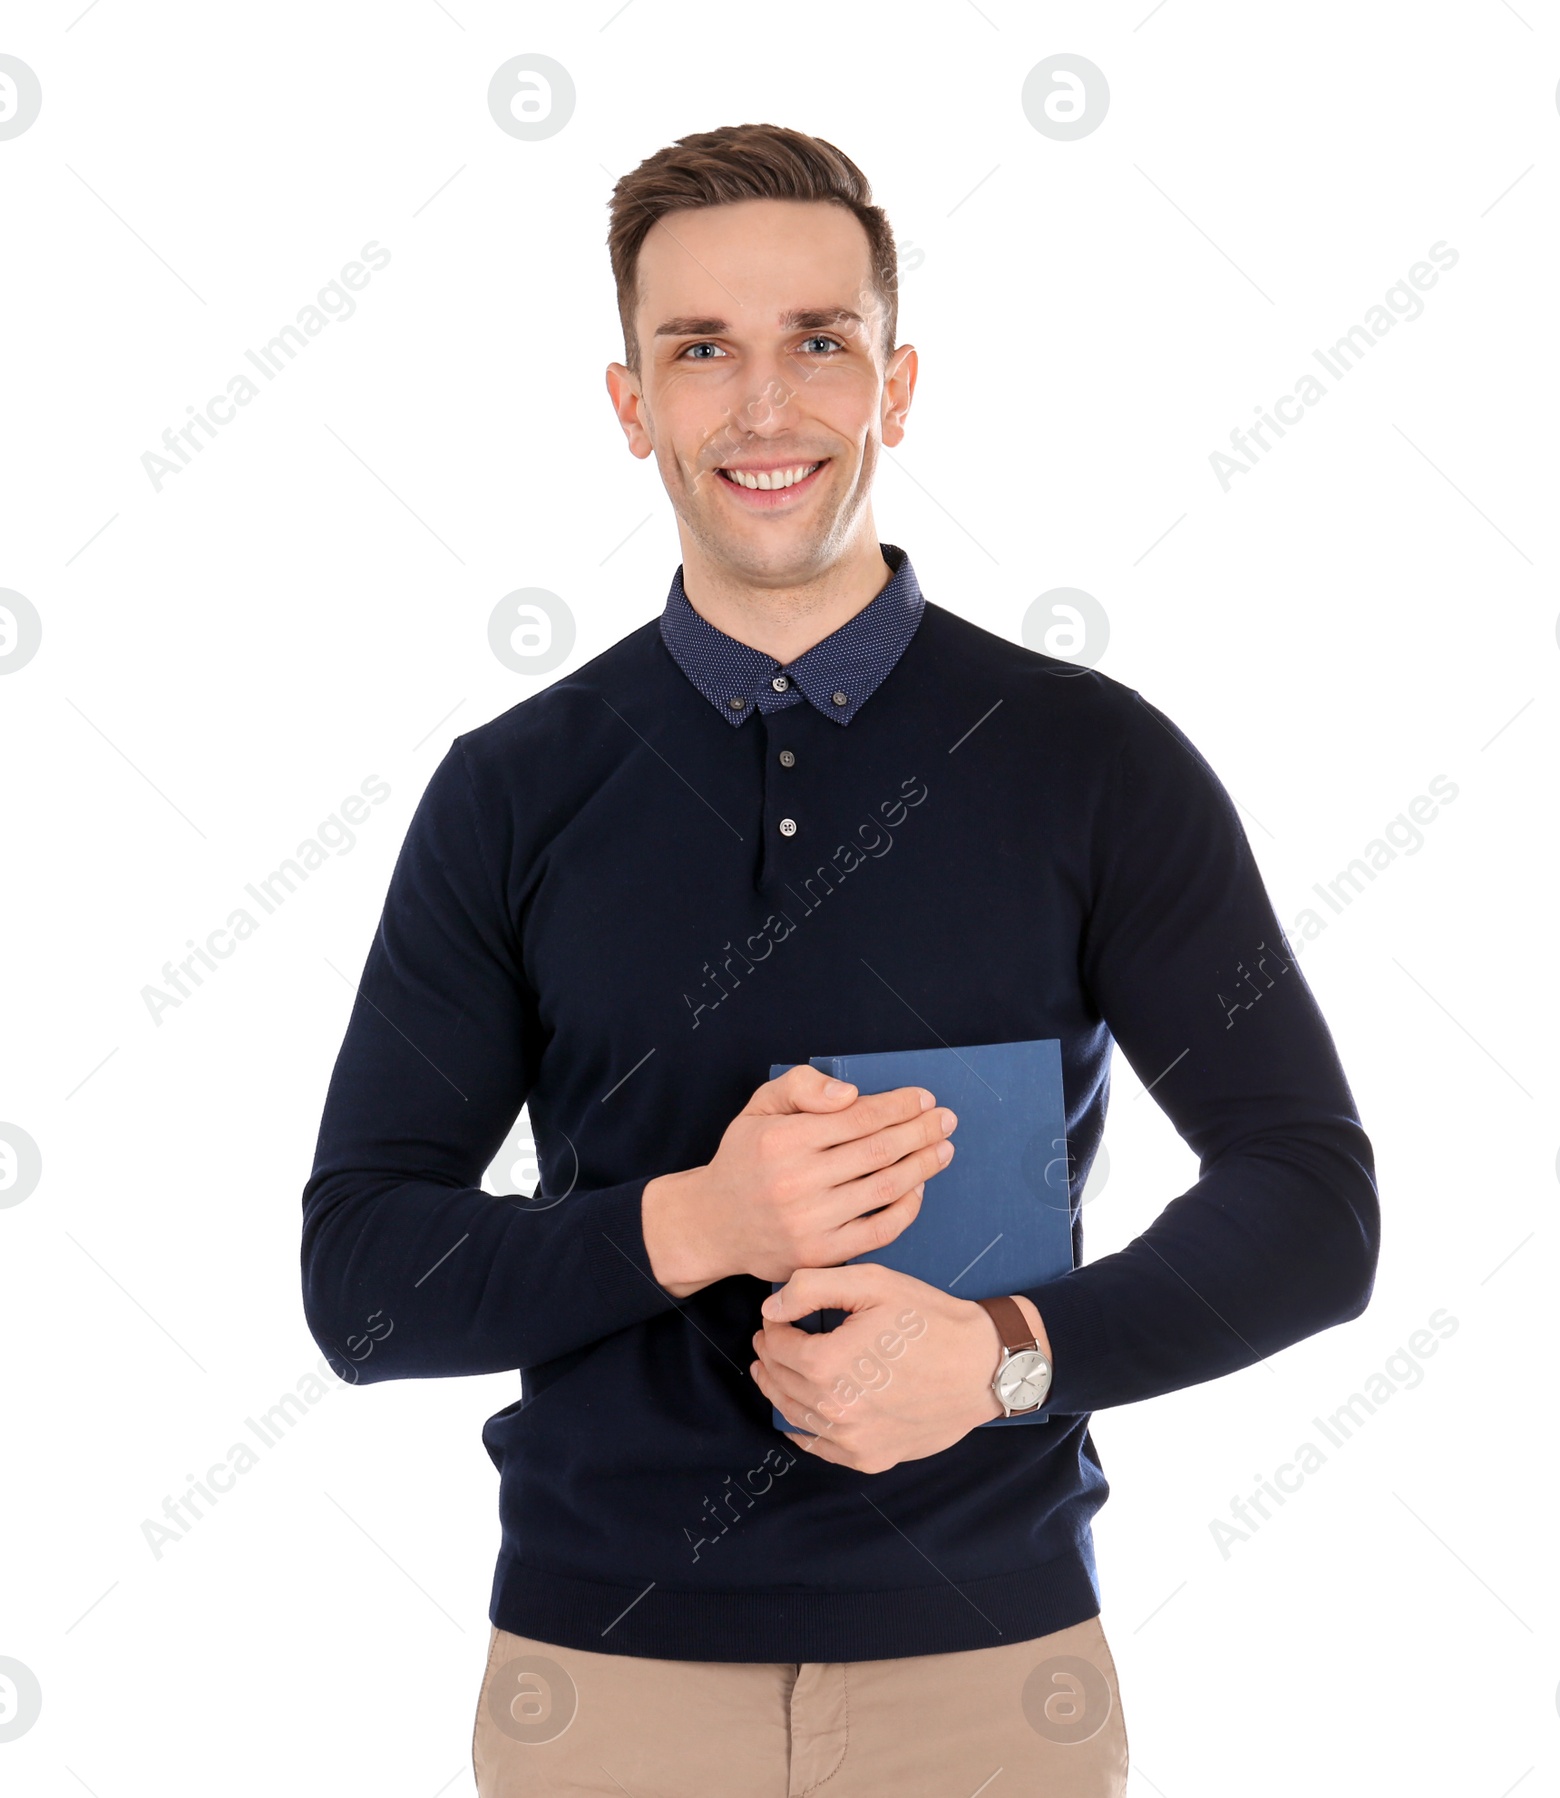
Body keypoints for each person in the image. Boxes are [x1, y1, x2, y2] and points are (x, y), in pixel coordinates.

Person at [300, 121, 1380, 1797]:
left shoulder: (1090, 759)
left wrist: (1005, 1352)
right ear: (629, 404)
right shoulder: (513, 787)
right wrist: (707, 1220)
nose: (763, 407)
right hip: (605, 1681)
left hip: (991, 1677)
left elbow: (1314, 1202)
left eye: (819, 342)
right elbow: (362, 1278)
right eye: (699, 351)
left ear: (898, 382)